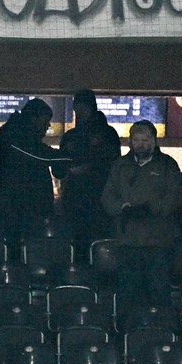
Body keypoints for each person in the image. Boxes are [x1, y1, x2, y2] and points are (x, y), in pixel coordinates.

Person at [99, 120, 182, 308]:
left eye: (145, 140)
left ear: (154, 140)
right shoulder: (120, 166)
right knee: (128, 294)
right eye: (136, 140)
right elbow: (107, 197)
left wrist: (153, 207)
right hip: (128, 242)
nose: (140, 144)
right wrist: (123, 207)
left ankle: (161, 331)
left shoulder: (167, 165)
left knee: (159, 293)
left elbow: (176, 197)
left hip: (158, 242)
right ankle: (127, 334)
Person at [0, 98, 70, 242]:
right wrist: (68, 158)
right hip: (17, 216)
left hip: (26, 215)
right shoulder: (13, 137)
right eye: (44, 121)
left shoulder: (20, 138)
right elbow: (39, 155)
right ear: (33, 119)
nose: (48, 125)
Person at [57, 89, 120, 248]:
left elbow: (113, 165)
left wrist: (89, 169)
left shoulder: (107, 134)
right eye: (77, 109)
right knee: (76, 246)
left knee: (99, 246)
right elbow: (60, 166)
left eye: (83, 108)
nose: (80, 113)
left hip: (100, 201)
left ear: (92, 108)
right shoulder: (70, 136)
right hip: (74, 202)